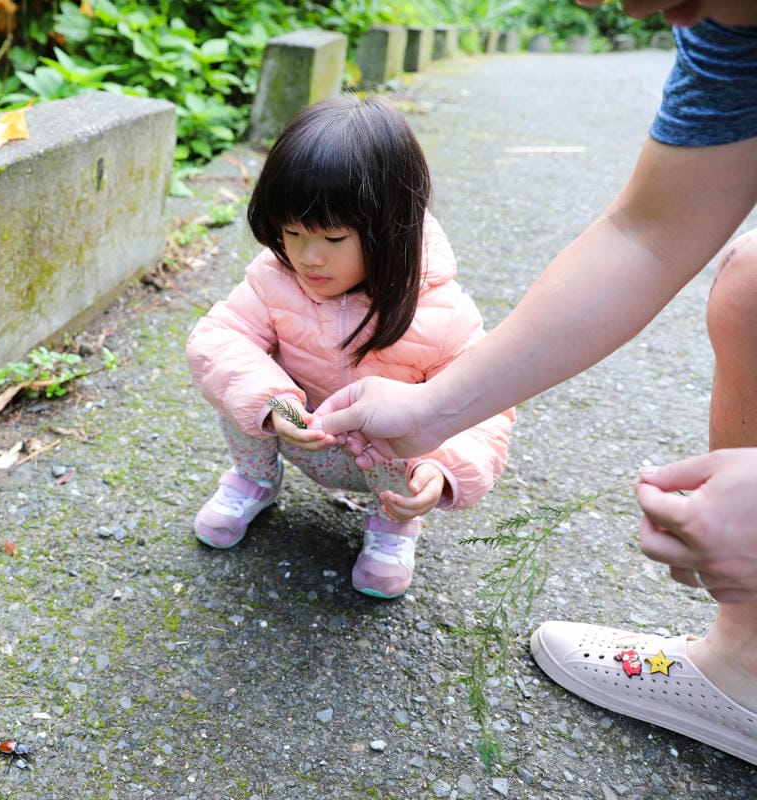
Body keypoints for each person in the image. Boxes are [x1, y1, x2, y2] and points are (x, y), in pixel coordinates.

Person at [316, 0, 757, 765]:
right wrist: (431, 411)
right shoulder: (731, 26)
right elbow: (648, 231)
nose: (626, 8)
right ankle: (748, 668)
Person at [185, 96, 514, 599]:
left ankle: (391, 526)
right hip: (300, 432)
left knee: (418, 433)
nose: (307, 257)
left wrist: (443, 466)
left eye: (333, 238)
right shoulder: (274, 278)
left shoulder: (441, 310)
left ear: (388, 231)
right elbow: (220, 338)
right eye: (291, 232)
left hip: (385, 460)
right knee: (241, 384)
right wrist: (277, 405)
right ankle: (253, 479)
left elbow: (486, 401)